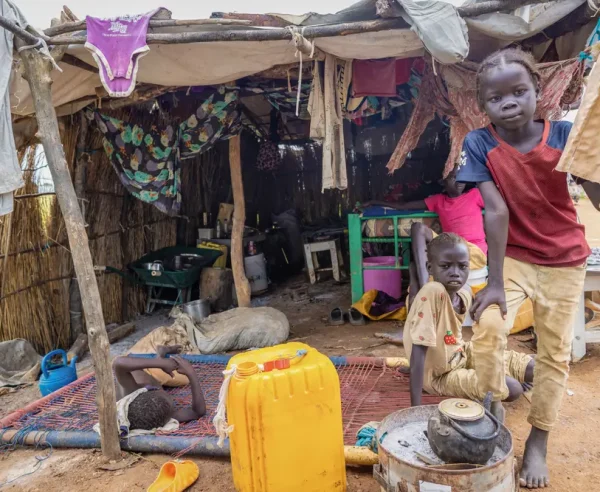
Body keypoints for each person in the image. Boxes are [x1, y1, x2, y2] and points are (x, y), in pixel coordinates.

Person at [456, 48, 600, 488]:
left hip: (565, 258)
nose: (509, 102)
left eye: (519, 91)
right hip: (514, 258)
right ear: (483, 105)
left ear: (539, 91)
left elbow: (596, 195)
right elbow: (494, 212)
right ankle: (493, 403)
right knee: (490, 326)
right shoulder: (478, 143)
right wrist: (494, 283)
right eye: (497, 97)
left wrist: (593, 158)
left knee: (554, 354)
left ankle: (538, 437)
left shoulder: (564, 134)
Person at [405, 233, 534, 410]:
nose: (455, 273)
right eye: (446, 266)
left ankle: (509, 375)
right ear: (430, 268)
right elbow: (418, 352)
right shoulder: (432, 292)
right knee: (512, 388)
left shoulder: (464, 294)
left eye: (462, 266)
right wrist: (415, 409)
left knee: (532, 367)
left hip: (461, 353)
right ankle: (505, 379)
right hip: (440, 375)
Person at [362, 166, 487, 295]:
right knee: (417, 228)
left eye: (461, 177)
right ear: (444, 181)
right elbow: (403, 206)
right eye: (453, 177)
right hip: (450, 246)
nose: (458, 181)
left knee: (414, 267)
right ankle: (425, 287)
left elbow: (498, 207)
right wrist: (374, 202)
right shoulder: (438, 200)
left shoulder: (475, 195)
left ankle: (425, 290)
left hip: (473, 251)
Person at [112, 347, 206, 433]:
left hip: (135, 367)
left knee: (166, 368)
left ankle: (159, 358)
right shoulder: (164, 416)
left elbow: (118, 362)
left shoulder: (130, 392)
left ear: (146, 390)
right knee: (184, 379)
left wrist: (162, 364)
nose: (166, 392)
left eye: (159, 390)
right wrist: (191, 373)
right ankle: (159, 357)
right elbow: (198, 412)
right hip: (157, 376)